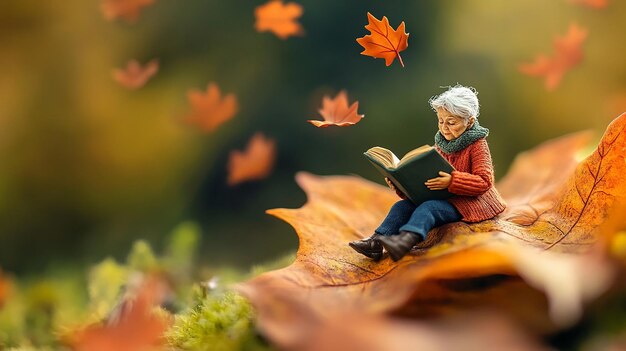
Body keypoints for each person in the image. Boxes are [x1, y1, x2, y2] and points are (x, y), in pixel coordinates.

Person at [349, 85, 506, 261]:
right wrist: (401, 183)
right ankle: (376, 243)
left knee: (428, 209)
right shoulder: (441, 144)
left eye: (451, 122)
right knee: (401, 207)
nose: (445, 128)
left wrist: (452, 181)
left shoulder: (477, 145)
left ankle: (405, 241)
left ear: (469, 122)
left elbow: (485, 181)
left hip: (468, 202)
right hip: (443, 197)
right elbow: (425, 181)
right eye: (441, 121)